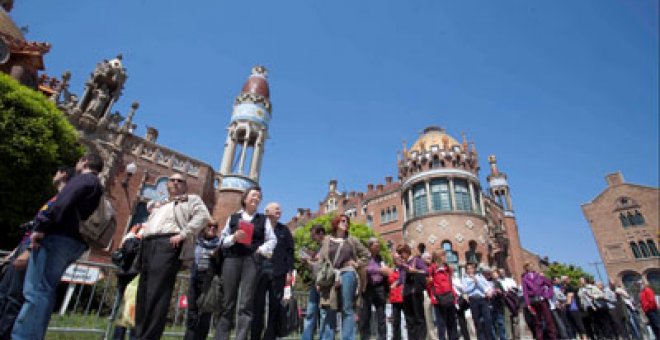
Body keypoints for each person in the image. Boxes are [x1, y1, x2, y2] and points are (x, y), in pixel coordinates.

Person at [12, 154, 104, 340]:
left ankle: (24, 337)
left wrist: (41, 228)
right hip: (76, 242)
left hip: (58, 238)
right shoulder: (97, 186)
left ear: (84, 161)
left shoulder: (83, 180)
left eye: (78, 161)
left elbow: (62, 203)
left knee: (36, 291)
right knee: (45, 291)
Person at [135, 173, 211, 340]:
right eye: (172, 180)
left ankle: (149, 337)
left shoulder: (191, 199)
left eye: (180, 181)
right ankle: (138, 335)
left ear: (185, 186)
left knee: (158, 293)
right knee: (143, 293)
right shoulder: (162, 203)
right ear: (167, 185)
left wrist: (184, 233)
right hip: (148, 244)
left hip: (168, 245)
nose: (176, 182)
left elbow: (204, 217)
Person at [0, 167, 74, 339]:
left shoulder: (64, 201)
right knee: (4, 293)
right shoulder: (55, 199)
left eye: (56, 172)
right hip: (24, 247)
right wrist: (15, 251)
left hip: (32, 249)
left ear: (63, 174)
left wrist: (27, 252)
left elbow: (50, 228)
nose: (54, 175)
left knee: (14, 297)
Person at [216, 186, 276, 340]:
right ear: (245, 198)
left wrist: (261, 249)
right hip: (232, 260)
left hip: (252, 261)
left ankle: (241, 337)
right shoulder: (233, 218)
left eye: (259, 196)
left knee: (246, 304)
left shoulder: (263, 220)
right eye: (253, 195)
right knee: (227, 302)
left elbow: (272, 240)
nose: (256, 198)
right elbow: (222, 240)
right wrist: (234, 237)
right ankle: (221, 337)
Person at [317, 214, 369, 340]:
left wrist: (357, 264)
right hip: (330, 276)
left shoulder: (352, 240)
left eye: (347, 221)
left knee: (347, 308)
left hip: (348, 273)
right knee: (330, 307)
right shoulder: (327, 240)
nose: (346, 223)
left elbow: (366, 254)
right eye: (343, 221)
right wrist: (318, 281)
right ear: (336, 223)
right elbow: (321, 261)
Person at [251, 202, 294, 340]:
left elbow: (290, 252)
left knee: (275, 307)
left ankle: (270, 337)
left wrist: (289, 272)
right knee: (257, 306)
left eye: (280, 209)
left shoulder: (284, 230)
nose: (279, 211)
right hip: (259, 270)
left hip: (279, 272)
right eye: (276, 209)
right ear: (266, 211)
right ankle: (255, 336)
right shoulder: (259, 227)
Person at [183, 221, 221, 340]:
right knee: (192, 311)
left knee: (205, 313)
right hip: (195, 278)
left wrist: (217, 256)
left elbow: (221, 265)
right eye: (209, 225)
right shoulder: (197, 242)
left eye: (215, 227)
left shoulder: (219, 245)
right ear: (204, 227)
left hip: (208, 281)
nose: (212, 228)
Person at [359, 238, 389, 340]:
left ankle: (382, 337)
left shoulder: (380, 258)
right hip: (367, 288)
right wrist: (380, 270)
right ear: (370, 246)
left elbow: (386, 270)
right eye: (376, 245)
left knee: (381, 316)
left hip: (380, 288)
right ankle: (365, 337)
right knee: (365, 316)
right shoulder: (365, 257)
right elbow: (365, 269)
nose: (378, 247)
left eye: (379, 245)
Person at [301, 225, 326, 340]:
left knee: (323, 314)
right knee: (310, 313)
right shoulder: (318, 248)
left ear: (320, 234)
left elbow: (323, 266)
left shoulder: (328, 245)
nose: (312, 238)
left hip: (324, 284)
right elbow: (315, 267)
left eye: (313, 235)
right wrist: (308, 262)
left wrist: (311, 261)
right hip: (314, 283)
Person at [398, 243, 428, 340]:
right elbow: (401, 279)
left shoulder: (416, 260)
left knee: (419, 318)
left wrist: (415, 271)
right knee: (409, 320)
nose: (401, 255)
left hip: (415, 292)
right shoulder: (402, 265)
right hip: (406, 294)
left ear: (407, 251)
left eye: (402, 252)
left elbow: (426, 271)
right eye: (399, 253)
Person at [521, 262, 556, 340]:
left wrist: (547, 295)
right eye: (528, 266)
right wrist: (528, 304)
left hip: (542, 300)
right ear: (525, 268)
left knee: (549, 320)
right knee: (537, 322)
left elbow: (550, 285)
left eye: (531, 265)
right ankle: (539, 338)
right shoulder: (524, 279)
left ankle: (553, 337)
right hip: (533, 302)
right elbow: (525, 292)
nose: (530, 267)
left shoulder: (539, 276)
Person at [429, 251, 458, 340]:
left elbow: (450, 283)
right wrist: (433, 297)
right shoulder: (432, 269)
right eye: (443, 255)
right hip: (438, 300)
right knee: (441, 324)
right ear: (438, 257)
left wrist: (454, 296)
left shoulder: (448, 268)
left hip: (449, 298)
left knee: (452, 323)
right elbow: (429, 285)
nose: (445, 257)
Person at [462, 263, 493, 340]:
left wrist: (490, 291)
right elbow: (465, 290)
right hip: (473, 300)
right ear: (466, 270)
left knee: (487, 320)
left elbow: (488, 286)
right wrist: (474, 283)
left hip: (483, 299)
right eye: (468, 269)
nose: (470, 270)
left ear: (474, 269)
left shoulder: (480, 277)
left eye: (471, 268)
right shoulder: (465, 279)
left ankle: (489, 337)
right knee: (477, 321)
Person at [421, 251, 439, 340]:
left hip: (435, 292)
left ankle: (432, 336)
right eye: (428, 258)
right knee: (428, 317)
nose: (430, 259)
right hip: (426, 293)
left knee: (438, 315)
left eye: (430, 258)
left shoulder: (434, 267)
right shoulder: (421, 268)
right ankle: (432, 337)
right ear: (423, 259)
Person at [498, 268, 520, 340]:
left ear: (505, 272)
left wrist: (512, 290)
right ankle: (510, 338)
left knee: (515, 320)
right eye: (500, 272)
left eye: (503, 272)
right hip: (505, 303)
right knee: (507, 321)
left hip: (513, 302)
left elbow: (517, 290)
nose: (502, 273)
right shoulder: (498, 282)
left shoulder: (510, 280)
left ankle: (517, 337)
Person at [388, 252, 405, 340]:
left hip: (405, 298)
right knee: (396, 321)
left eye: (400, 258)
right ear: (394, 261)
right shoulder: (392, 271)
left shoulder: (405, 269)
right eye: (397, 259)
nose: (399, 260)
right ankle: (396, 337)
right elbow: (390, 282)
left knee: (409, 320)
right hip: (395, 299)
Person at [488, 269, 507, 340]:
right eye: (493, 273)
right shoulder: (488, 282)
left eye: (496, 273)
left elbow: (503, 293)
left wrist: (500, 292)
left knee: (500, 323)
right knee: (492, 324)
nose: (495, 275)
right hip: (490, 305)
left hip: (498, 305)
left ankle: (503, 338)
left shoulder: (498, 283)